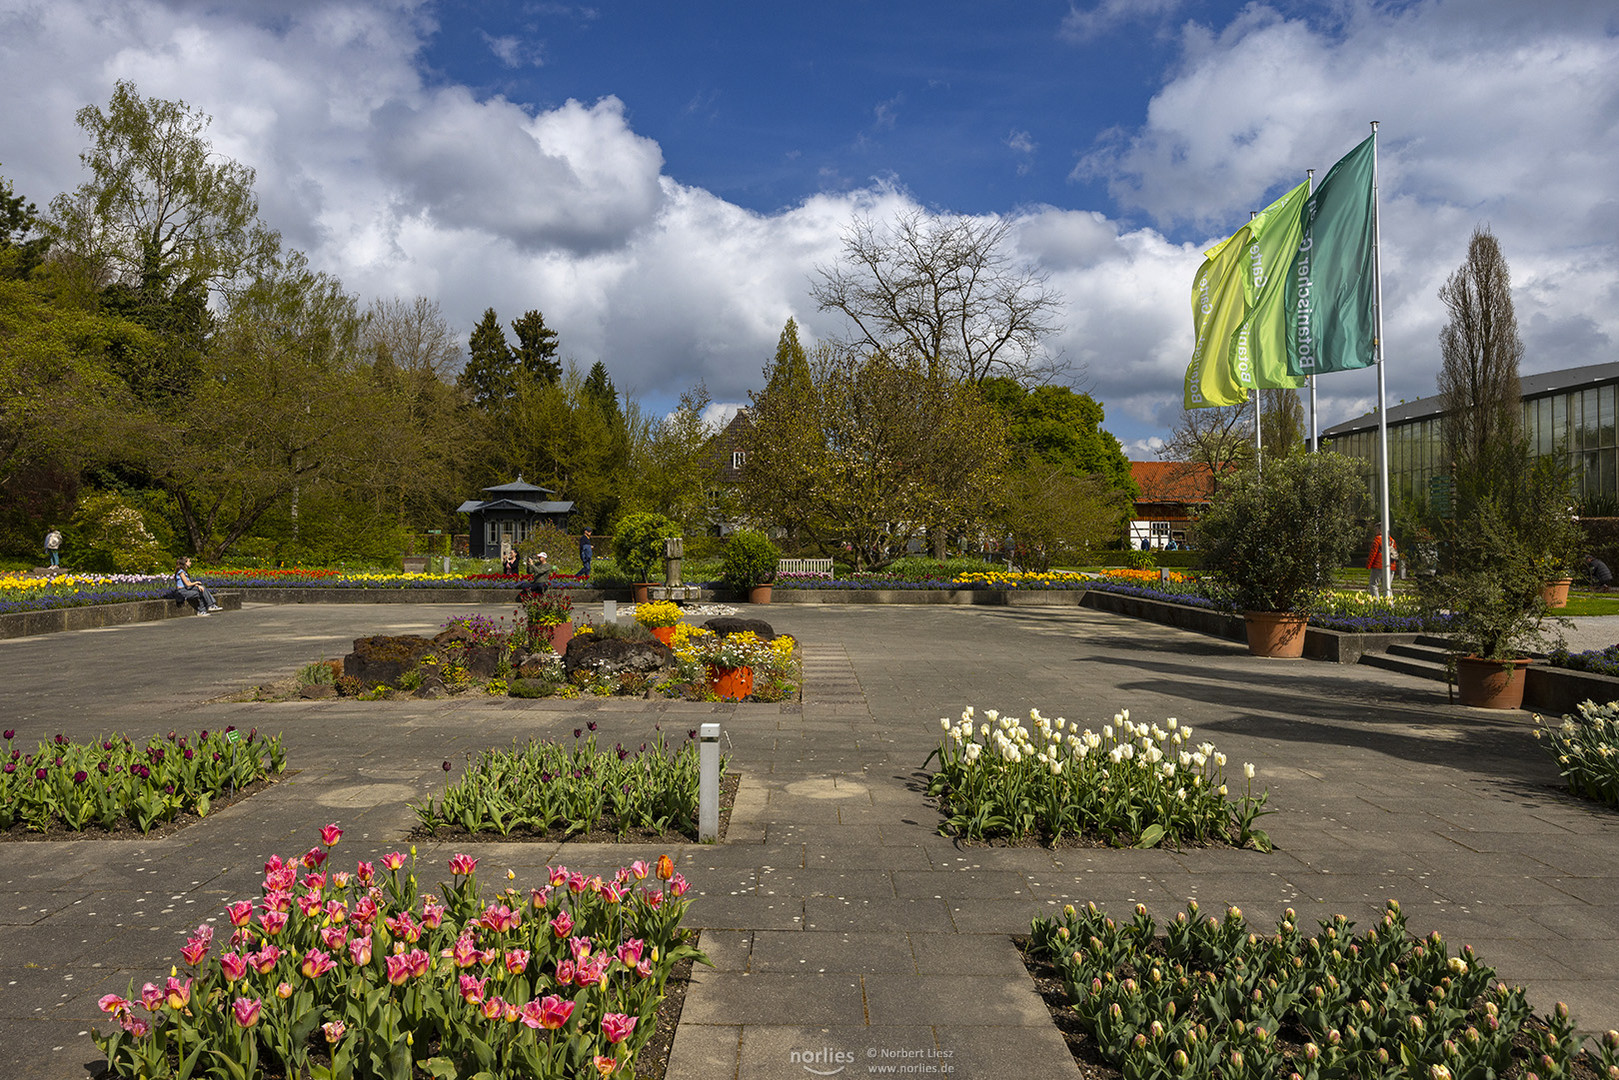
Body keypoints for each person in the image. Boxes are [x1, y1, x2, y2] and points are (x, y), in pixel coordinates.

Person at [1367, 531, 1398, 598]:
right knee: (1387, 586)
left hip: (1379, 565)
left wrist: (1368, 565)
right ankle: (1390, 604)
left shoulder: (1378, 539)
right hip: (1391, 566)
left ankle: (1376, 602)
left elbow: (1373, 553)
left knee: (1373, 584)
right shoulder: (1392, 540)